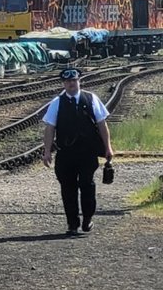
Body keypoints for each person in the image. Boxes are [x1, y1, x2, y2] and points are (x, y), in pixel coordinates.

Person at [41, 68, 114, 235]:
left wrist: (107, 147)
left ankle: (88, 218)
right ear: (63, 84)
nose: (71, 84)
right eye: (67, 82)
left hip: (87, 152)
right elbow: (49, 128)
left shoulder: (91, 99)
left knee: (87, 185)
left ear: (79, 81)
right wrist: (47, 151)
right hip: (66, 153)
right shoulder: (57, 102)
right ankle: (72, 224)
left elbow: (102, 124)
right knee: (68, 188)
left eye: (74, 80)